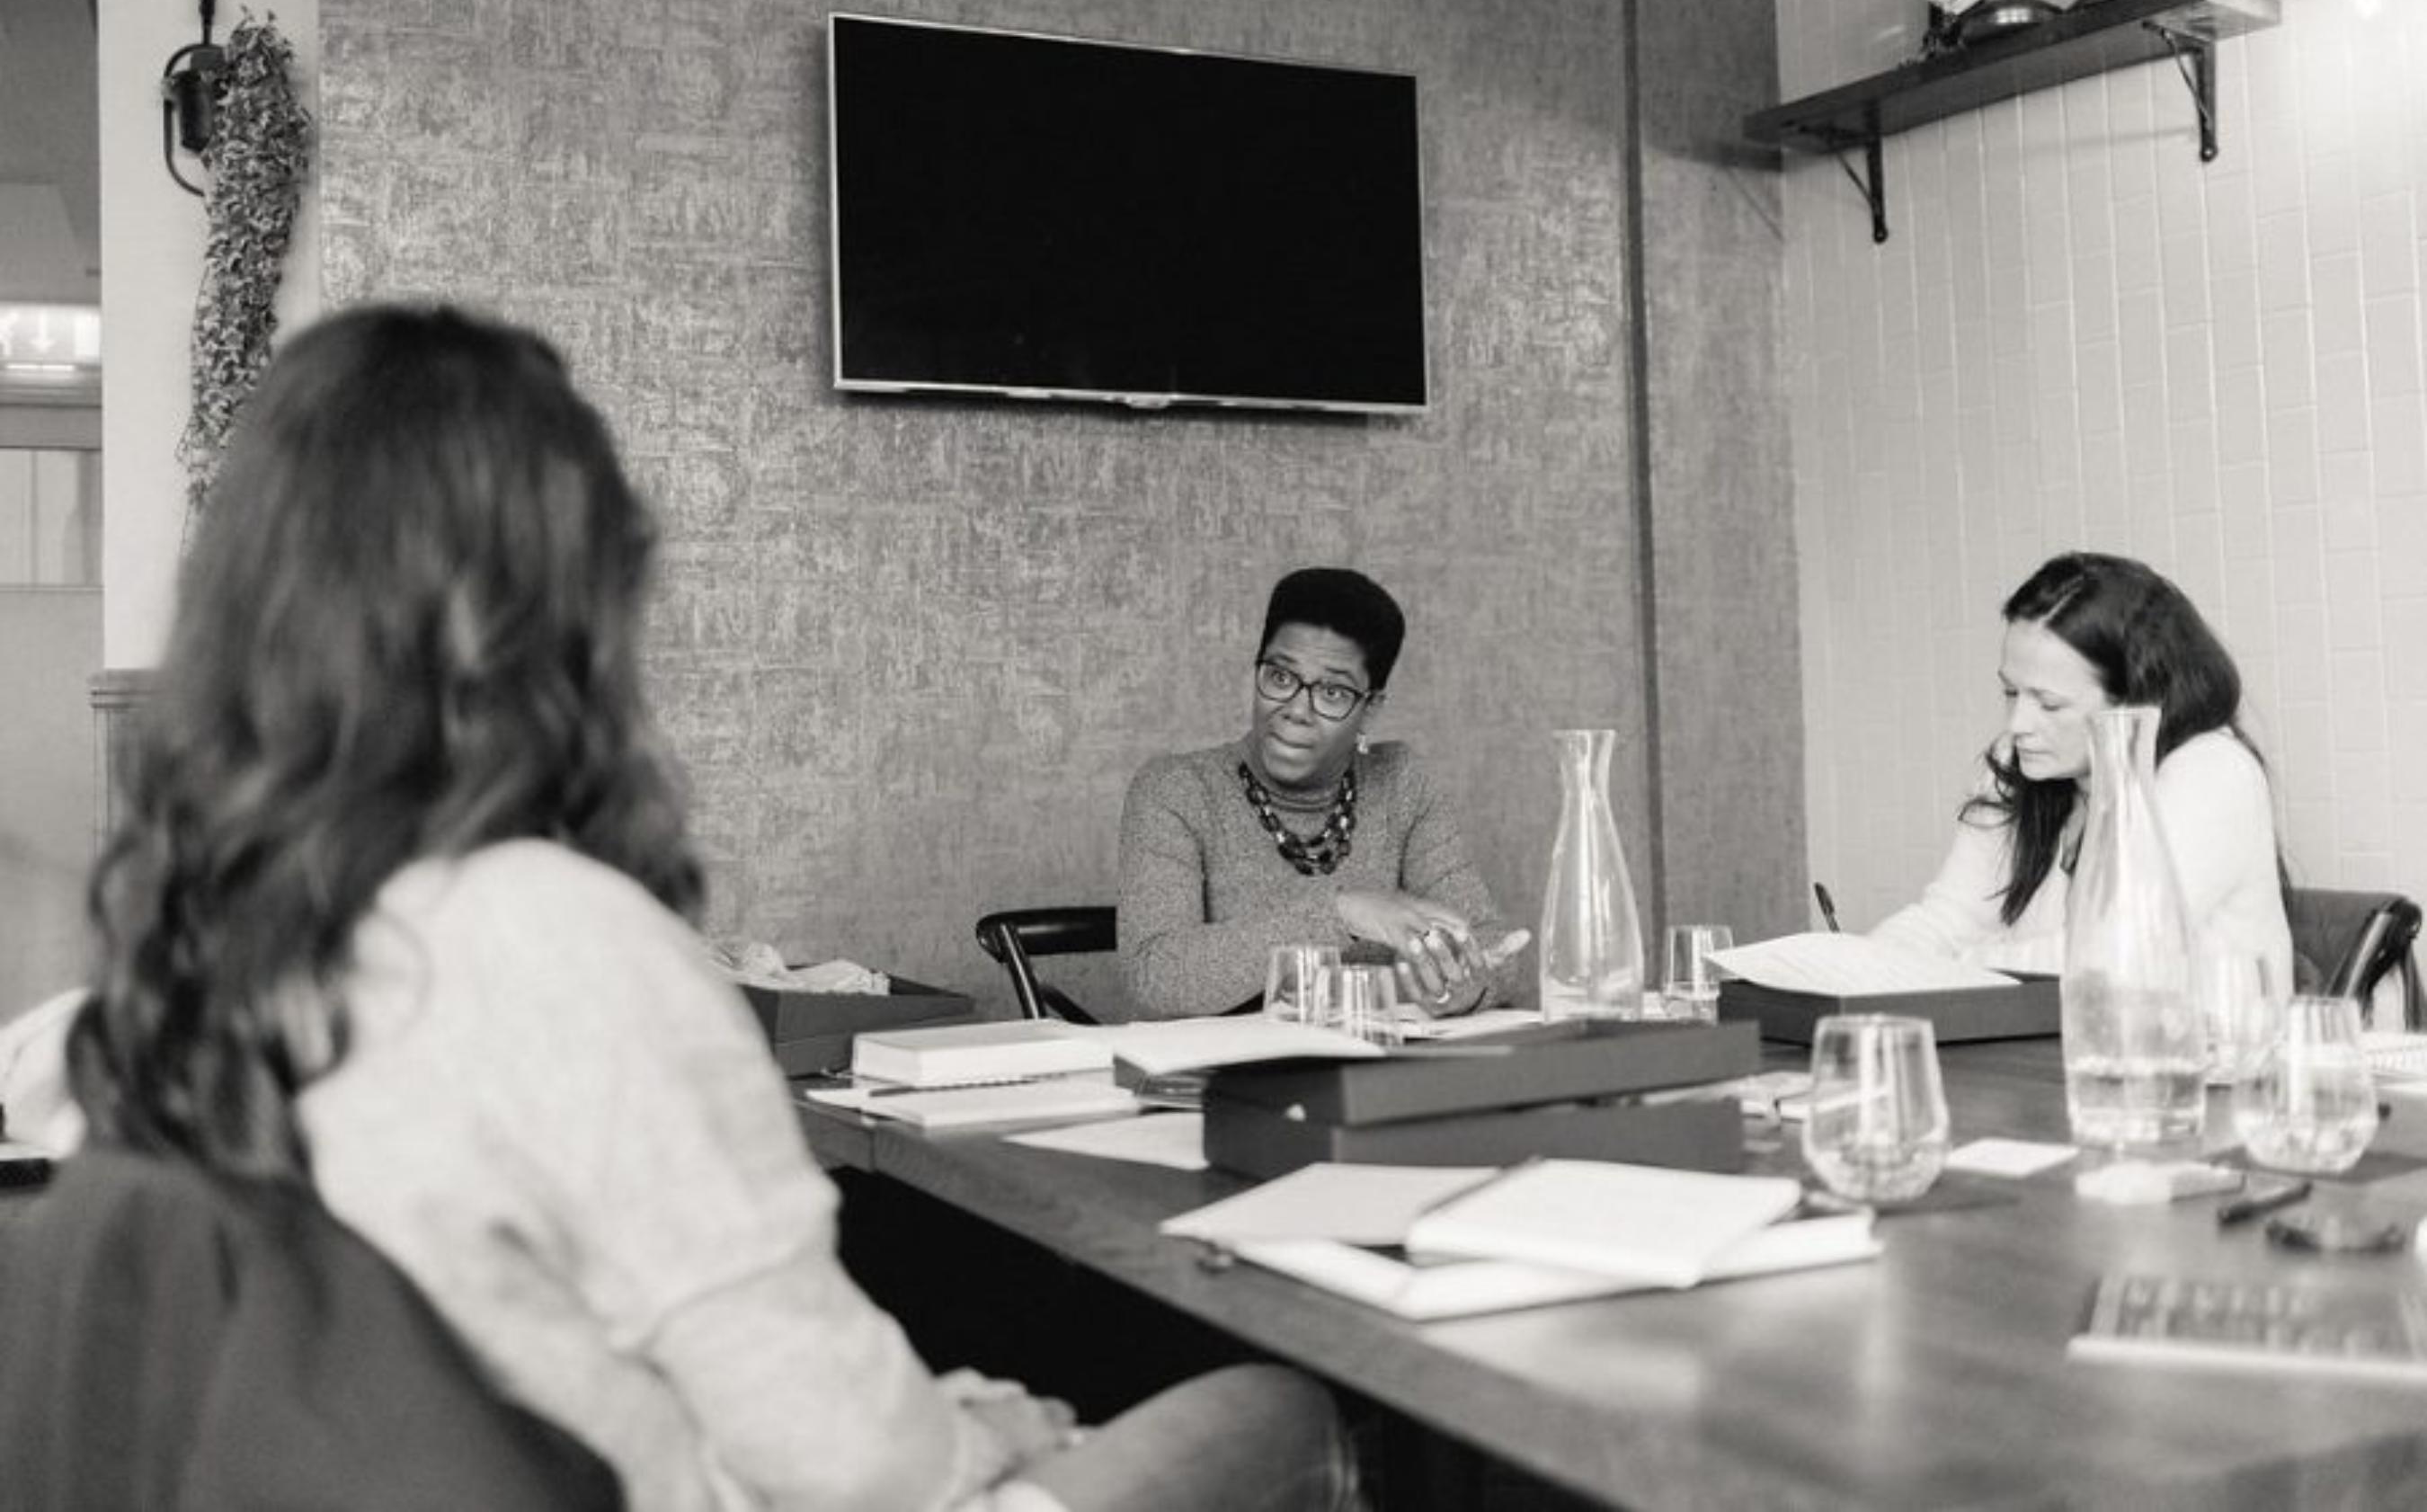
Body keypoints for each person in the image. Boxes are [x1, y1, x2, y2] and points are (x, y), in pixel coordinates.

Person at [64, 305, 1356, 1512]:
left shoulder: (179, 970)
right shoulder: (561, 943)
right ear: (567, 610)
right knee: (1287, 1407)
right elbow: (853, 1466)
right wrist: (984, 1434)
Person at [1119, 566, 1522, 1018]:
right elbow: (1155, 974)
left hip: (1378, 1059)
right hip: (1232, 1063)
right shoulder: (1177, 790)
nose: (1296, 710)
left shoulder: (1400, 781)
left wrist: (1459, 986)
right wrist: (1341, 913)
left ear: (1370, 709)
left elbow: (1493, 947)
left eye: (1332, 692)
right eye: (1280, 677)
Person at [1871, 551, 2292, 979]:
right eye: (2011, 693)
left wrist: (1947, 967)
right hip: (2048, 1022)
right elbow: (1950, 920)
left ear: (2134, 699)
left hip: (2199, 1025)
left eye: (2050, 704)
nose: (2018, 725)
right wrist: (1861, 965)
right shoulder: (2018, 761)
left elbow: (2112, 953)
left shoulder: (2213, 773)